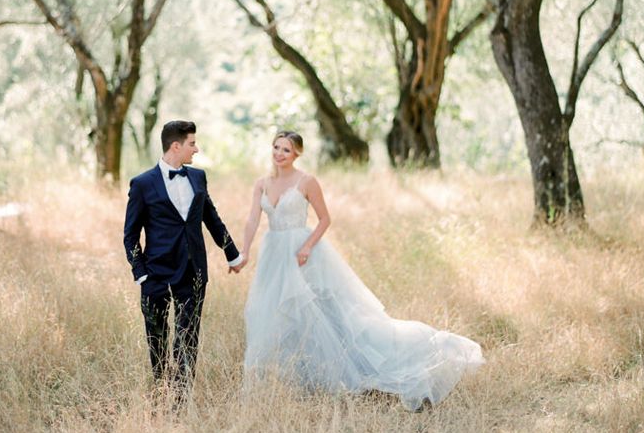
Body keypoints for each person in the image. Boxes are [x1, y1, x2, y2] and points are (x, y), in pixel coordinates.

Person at [238, 130, 484, 410]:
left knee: (328, 314)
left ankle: (357, 371)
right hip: (274, 255)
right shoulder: (262, 184)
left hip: (303, 253)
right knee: (276, 314)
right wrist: (244, 251)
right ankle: (296, 378)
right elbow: (251, 220)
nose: (279, 154)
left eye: (286, 150)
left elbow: (324, 219)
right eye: (276, 147)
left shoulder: (306, 181)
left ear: (296, 154)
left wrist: (307, 246)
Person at [123, 120, 244, 398]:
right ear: (175, 146)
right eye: (192, 144)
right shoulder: (142, 184)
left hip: (193, 272)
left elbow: (212, 219)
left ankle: (181, 397)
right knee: (157, 339)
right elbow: (130, 235)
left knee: (188, 337)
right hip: (155, 274)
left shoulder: (198, 178)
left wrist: (232, 254)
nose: (197, 149)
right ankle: (161, 391)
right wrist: (140, 273)